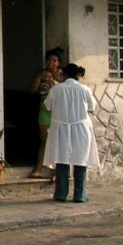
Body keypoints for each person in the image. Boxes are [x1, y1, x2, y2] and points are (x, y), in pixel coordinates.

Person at [43, 62, 100, 203]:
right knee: (81, 161)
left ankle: (61, 193)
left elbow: (47, 106)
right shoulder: (84, 89)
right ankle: (80, 194)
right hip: (80, 129)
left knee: (62, 160)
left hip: (61, 129)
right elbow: (92, 106)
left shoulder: (56, 89)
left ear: (64, 74)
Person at [29, 48, 64, 177]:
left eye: (54, 60)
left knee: (57, 141)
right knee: (45, 141)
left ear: (59, 63)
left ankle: (55, 171)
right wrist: (39, 77)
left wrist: (53, 82)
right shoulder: (41, 73)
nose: (51, 63)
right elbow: (32, 90)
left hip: (58, 112)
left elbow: (63, 92)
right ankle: (38, 169)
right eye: (49, 60)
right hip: (45, 111)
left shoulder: (62, 75)